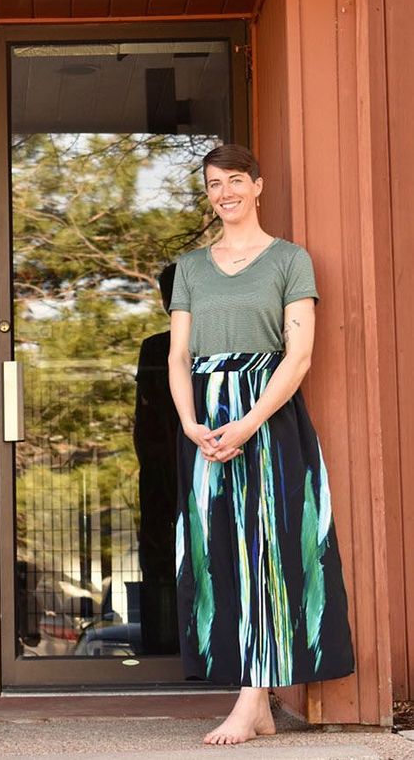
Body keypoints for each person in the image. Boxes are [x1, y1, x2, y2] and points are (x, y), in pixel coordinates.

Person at [167, 144, 354, 745]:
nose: (225, 192)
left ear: (258, 186)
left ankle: (252, 700)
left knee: (268, 550)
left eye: (235, 181)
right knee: (219, 549)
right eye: (214, 183)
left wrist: (247, 424)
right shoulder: (191, 267)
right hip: (205, 422)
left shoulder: (290, 261)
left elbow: (298, 356)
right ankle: (260, 703)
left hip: (266, 418)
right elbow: (177, 356)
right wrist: (192, 424)